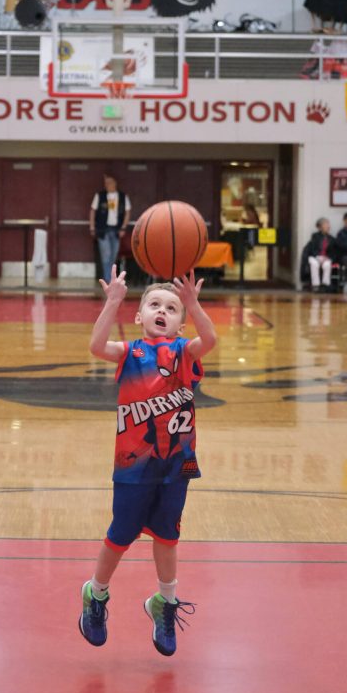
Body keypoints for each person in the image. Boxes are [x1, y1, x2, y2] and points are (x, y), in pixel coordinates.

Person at [80, 267, 217, 658]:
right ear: (139, 317)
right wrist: (112, 303)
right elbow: (96, 346)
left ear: (180, 321)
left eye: (172, 308)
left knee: (168, 535)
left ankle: (164, 602)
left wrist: (194, 303)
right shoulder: (130, 352)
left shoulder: (185, 353)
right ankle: (96, 592)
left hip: (178, 463)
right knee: (121, 533)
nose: (163, 311)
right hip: (133, 463)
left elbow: (210, 338)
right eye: (154, 305)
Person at [89, 174, 131, 284]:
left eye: (109, 182)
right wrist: (92, 227)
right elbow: (93, 211)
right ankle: (108, 280)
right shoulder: (100, 195)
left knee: (113, 256)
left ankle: (111, 278)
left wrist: (123, 227)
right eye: (105, 183)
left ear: (115, 183)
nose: (107, 185)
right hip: (103, 230)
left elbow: (127, 212)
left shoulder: (122, 196)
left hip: (116, 230)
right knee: (106, 256)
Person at [306, 217, 336, 292]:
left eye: (328, 225)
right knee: (314, 264)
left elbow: (333, 252)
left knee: (327, 265)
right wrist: (318, 257)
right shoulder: (315, 236)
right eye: (325, 225)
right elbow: (312, 249)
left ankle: (325, 285)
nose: (328, 226)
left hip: (326, 258)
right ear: (320, 227)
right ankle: (316, 285)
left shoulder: (331, 239)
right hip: (315, 257)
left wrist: (327, 257)